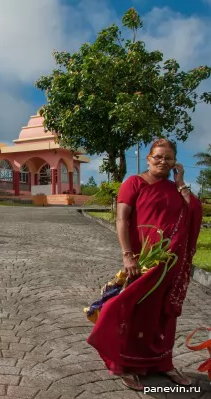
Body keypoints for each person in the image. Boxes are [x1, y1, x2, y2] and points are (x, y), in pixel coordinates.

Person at [86, 138, 204, 391]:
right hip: (144, 262)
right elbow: (121, 219)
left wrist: (181, 182)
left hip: (170, 262)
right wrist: (127, 254)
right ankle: (123, 364)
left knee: (163, 313)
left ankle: (163, 363)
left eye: (168, 158)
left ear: (175, 163)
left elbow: (193, 211)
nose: (162, 161)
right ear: (149, 158)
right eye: (158, 157)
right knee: (130, 309)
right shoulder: (134, 183)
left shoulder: (175, 188)